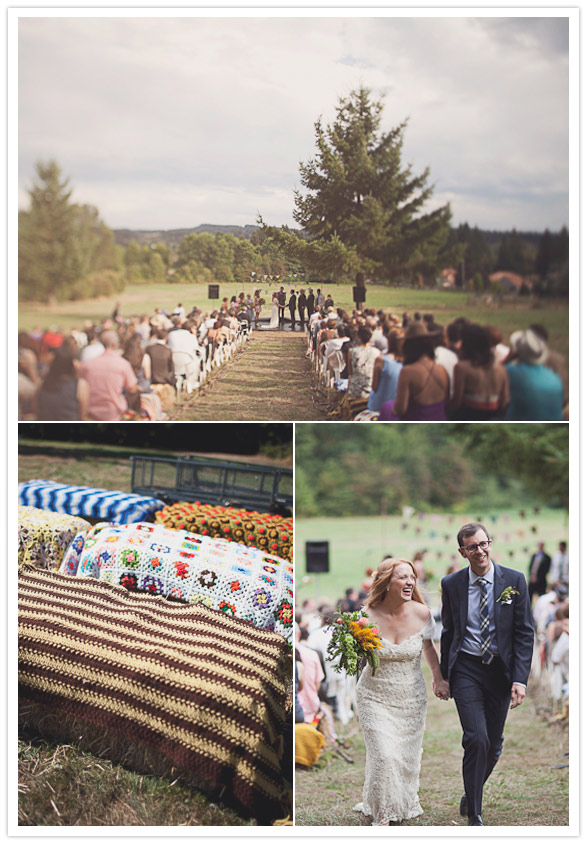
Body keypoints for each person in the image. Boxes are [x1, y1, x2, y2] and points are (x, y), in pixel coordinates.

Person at [440, 522, 534, 826]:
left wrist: (520, 679)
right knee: (476, 738)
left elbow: (524, 633)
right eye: (472, 547)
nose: (479, 551)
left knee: (493, 744)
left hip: (499, 671)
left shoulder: (514, 581)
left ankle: (472, 790)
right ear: (462, 551)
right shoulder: (451, 584)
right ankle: (476, 815)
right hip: (466, 667)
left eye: (483, 544)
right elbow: (448, 631)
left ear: (490, 544)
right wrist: (444, 676)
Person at [353, 558, 449, 825]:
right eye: (402, 577)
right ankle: (382, 816)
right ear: (386, 583)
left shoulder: (423, 614)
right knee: (384, 754)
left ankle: (401, 801)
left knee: (403, 756)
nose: (409, 582)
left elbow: (429, 648)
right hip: (373, 694)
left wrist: (439, 679)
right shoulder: (364, 617)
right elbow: (357, 659)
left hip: (410, 697)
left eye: (412, 577)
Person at [379, 324, 449, 421]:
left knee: (386, 407)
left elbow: (400, 410)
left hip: (418, 419)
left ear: (408, 346)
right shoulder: (442, 369)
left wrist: (388, 407)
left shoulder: (408, 372)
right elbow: (447, 402)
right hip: (441, 418)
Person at [450, 324, 509, 420]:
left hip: (469, 414)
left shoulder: (462, 368)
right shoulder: (501, 369)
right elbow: (505, 401)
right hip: (495, 414)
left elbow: (457, 403)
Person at [504, 329, 563, 421]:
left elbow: (495, 375)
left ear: (518, 352)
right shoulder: (554, 377)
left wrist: (510, 357)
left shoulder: (513, 372)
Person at [79, 329, 138, 420]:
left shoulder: (89, 364)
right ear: (115, 344)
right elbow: (132, 387)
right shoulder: (122, 363)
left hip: (90, 410)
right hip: (113, 411)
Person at [36, 345, 89, 421]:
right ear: (72, 365)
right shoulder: (80, 385)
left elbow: (37, 410)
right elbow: (82, 416)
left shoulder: (41, 383)